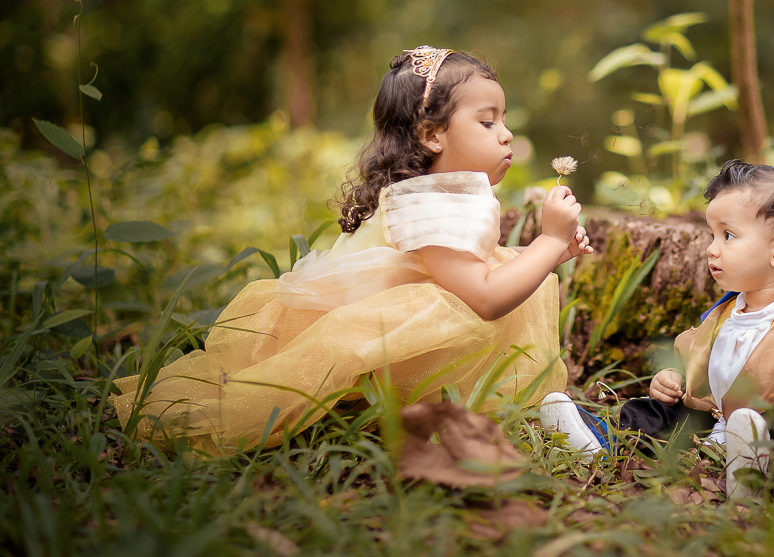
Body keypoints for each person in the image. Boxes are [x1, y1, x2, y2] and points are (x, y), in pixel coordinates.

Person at [113, 47, 590, 452]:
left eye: (503, 119)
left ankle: (464, 406)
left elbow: (472, 271)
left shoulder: (433, 192)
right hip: (367, 338)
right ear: (432, 134)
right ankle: (439, 409)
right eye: (487, 122)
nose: (506, 133)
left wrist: (553, 250)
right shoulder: (425, 206)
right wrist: (547, 241)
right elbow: (485, 299)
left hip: (382, 333)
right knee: (477, 298)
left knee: (502, 271)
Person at [541, 159, 774, 499]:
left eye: (728, 235)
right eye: (711, 234)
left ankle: (754, 473)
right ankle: (599, 441)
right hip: (715, 419)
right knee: (654, 413)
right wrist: (673, 377)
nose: (711, 248)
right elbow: (706, 364)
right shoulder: (728, 307)